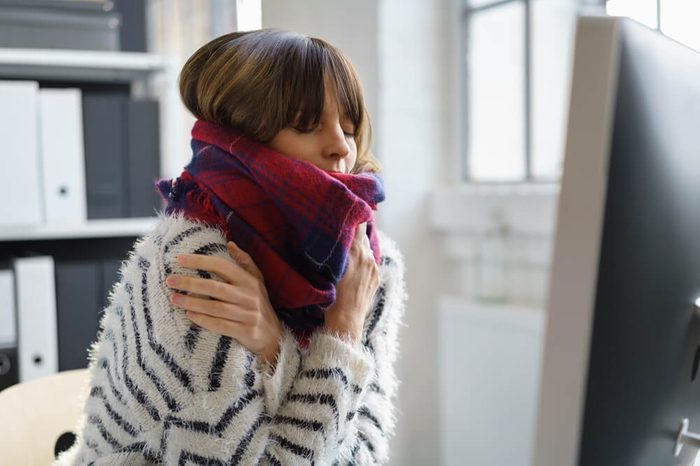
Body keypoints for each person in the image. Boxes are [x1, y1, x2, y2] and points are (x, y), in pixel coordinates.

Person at [55, 28, 407, 466]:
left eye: (349, 127)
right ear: (245, 140)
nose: (341, 146)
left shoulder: (367, 263)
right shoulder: (195, 263)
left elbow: (366, 453)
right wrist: (338, 344)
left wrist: (281, 345)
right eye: (305, 125)